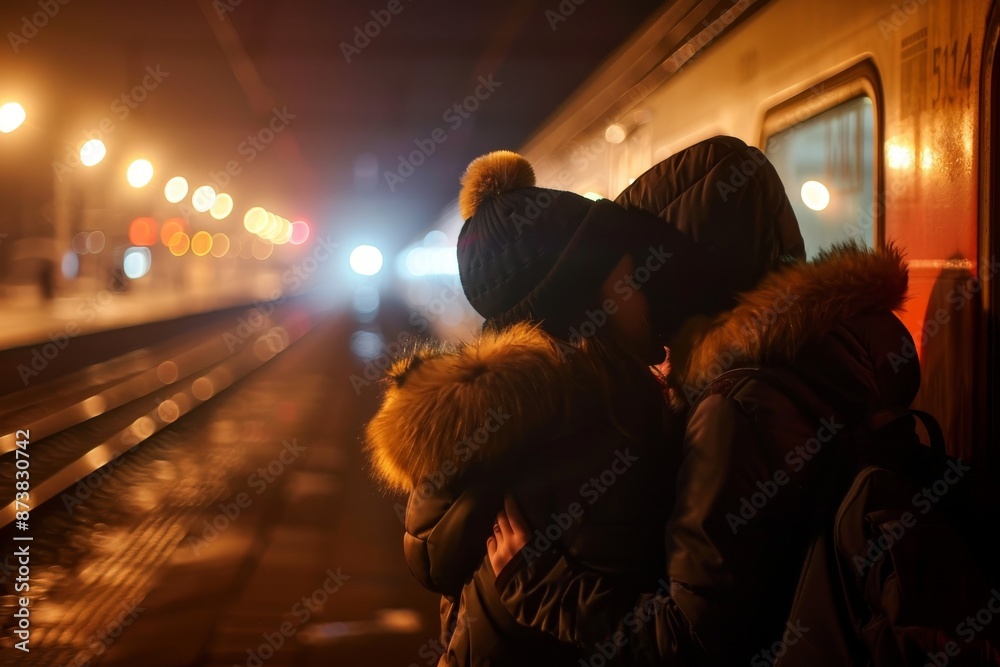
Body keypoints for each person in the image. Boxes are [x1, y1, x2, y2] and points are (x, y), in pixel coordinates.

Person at [485, 147, 999, 663]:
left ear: (682, 277)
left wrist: (541, 589)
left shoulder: (732, 408)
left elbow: (691, 639)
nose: (641, 292)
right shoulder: (818, 356)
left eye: (643, 273)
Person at [366, 137, 805, 665]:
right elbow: (677, 641)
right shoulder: (601, 439)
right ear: (587, 303)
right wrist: (542, 586)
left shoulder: (529, 427)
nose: (647, 291)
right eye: (630, 278)